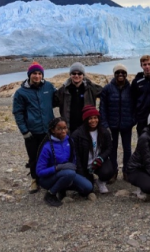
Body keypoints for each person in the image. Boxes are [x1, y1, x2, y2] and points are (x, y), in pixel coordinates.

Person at [12, 61, 57, 194]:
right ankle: (34, 179)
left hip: (48, 129)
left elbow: (57, 99)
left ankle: (49, 178)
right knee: (33, 156)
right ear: (29, 75)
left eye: (39, 73)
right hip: (32, 131)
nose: (37, 76)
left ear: (42, 75)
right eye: (34, 74)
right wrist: (24, 130)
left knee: (50, 155)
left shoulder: (48, 87)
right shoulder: (21, 93)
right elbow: (18, 112)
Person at [36, 117, 93, 207]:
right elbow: (39, 172)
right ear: (52, 130)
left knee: (88, 187)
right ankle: (50, 194)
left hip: (67, 174)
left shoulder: (70, 141)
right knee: (69, 173)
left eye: (65, 128)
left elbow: (74, 161)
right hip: (48, 179)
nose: (63, 131)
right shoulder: (47, 147)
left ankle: (62, 188)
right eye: (59, 129)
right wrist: (57, 168)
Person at [99, 63, 134, 183]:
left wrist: (133, 120)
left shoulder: (130, 88)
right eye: (118, 72)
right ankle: (114, 171)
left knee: (127, 149)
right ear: (114, 74)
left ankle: (126, 171)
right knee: (112, 149)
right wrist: (104, 124)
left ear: (126, 74)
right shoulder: (108, 89)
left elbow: (135, 106)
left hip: (126, 124)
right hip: (112, 125)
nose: (120, 74)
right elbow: (102, 108)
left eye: (123, 72)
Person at [72, 105, 114, 194]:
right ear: (85, 119)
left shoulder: (104, 132)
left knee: (109, 171)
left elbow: (109, 148)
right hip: (84, 166)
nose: (93, 121)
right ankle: (89, 179)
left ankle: (101, 181)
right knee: (86, 190)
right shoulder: (77, 135)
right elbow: (76, 155)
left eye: (95, 118)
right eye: (90, 118)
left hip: (97, 163)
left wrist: (101, 158)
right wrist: (80, 172)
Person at [54, 62, 102, 133]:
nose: (77, 76)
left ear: (83, 75)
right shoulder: (63, 90)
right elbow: (50, 102)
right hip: (69, 127)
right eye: (74, 73)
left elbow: (107, 94)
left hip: (86, 126)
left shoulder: (91, 88)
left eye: (79, 73)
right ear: (70, 75)